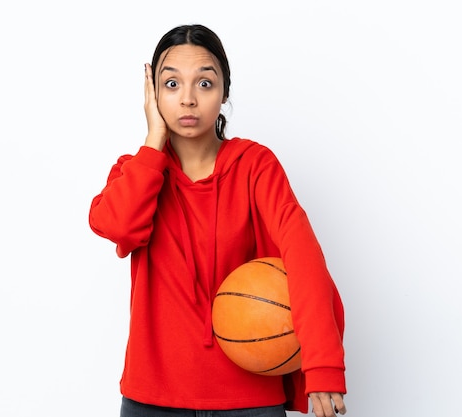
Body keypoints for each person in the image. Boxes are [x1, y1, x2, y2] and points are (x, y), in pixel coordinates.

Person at [88, 24, 347, 417]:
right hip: (151, 398)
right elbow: (120, 226)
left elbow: (303, 255)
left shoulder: (255, 166)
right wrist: (153, 141)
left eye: (204, 84)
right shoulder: (135, 171)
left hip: (250, 397)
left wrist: (323, 364)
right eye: (171, 84)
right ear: (152, 94)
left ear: (225, 92)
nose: (188, 99)